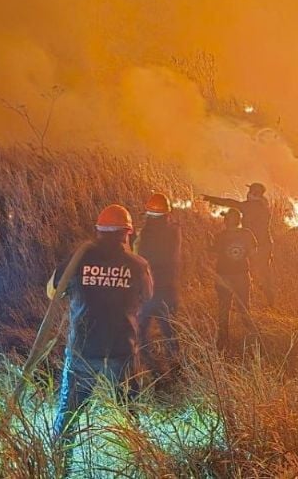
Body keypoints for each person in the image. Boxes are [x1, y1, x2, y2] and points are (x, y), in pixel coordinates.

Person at [47, 204, 153, 467]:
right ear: (128, 233)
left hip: (84, 349)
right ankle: (141, 463)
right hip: (122, 349)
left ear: (98, 230)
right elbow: (147, 295)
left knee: (69, 413)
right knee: (129, 411)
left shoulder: (78, 258)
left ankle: (60, 465)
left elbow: (52, 292)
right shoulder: (138, 264)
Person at [202, 182, 276, 306]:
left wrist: (210, 199)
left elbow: (230, 203)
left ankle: (245, 299)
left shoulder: (248, 206)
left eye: (250, 192)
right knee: (264, 272)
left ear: (253, 194)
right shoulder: (264, 206)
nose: (247, 194)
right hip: (266, 244)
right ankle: (270, 299)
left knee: (247, 271)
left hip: (252, 243)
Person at [135, 193, 182, 376]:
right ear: (167, 213)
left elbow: (137, 257)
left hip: (147, 290)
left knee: (140, 332)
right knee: (170, 331)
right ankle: (176, 370)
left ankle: (149, 368)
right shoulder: (174, 231)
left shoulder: (144, 234)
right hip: (168, 290)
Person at [210, 208, 260, 349]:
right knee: (244, 307)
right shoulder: (247, 234)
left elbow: (213, 253)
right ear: (239, 220)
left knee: (223, 308)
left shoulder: (220, 236)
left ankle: (222, 341)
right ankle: (253, 339)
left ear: (226, 221)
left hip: (223, 276)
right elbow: (253, 253)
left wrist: (209, 244)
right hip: (242, 275)